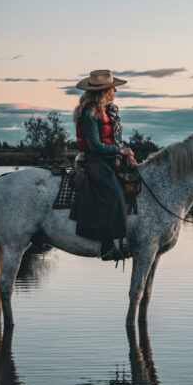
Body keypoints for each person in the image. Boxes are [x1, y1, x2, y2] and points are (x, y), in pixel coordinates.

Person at [70, 70, 136, 260]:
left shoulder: (108, 110)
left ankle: (125, 238)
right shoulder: (89, 113)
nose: (115, 89)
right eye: (112, 87)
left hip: (108, 157)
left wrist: (126, 152)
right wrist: (119, 151)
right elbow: (94, 145)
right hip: (95, 159)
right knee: (112, 190)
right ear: (105, 91)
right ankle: (107, 245)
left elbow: (114, 139)